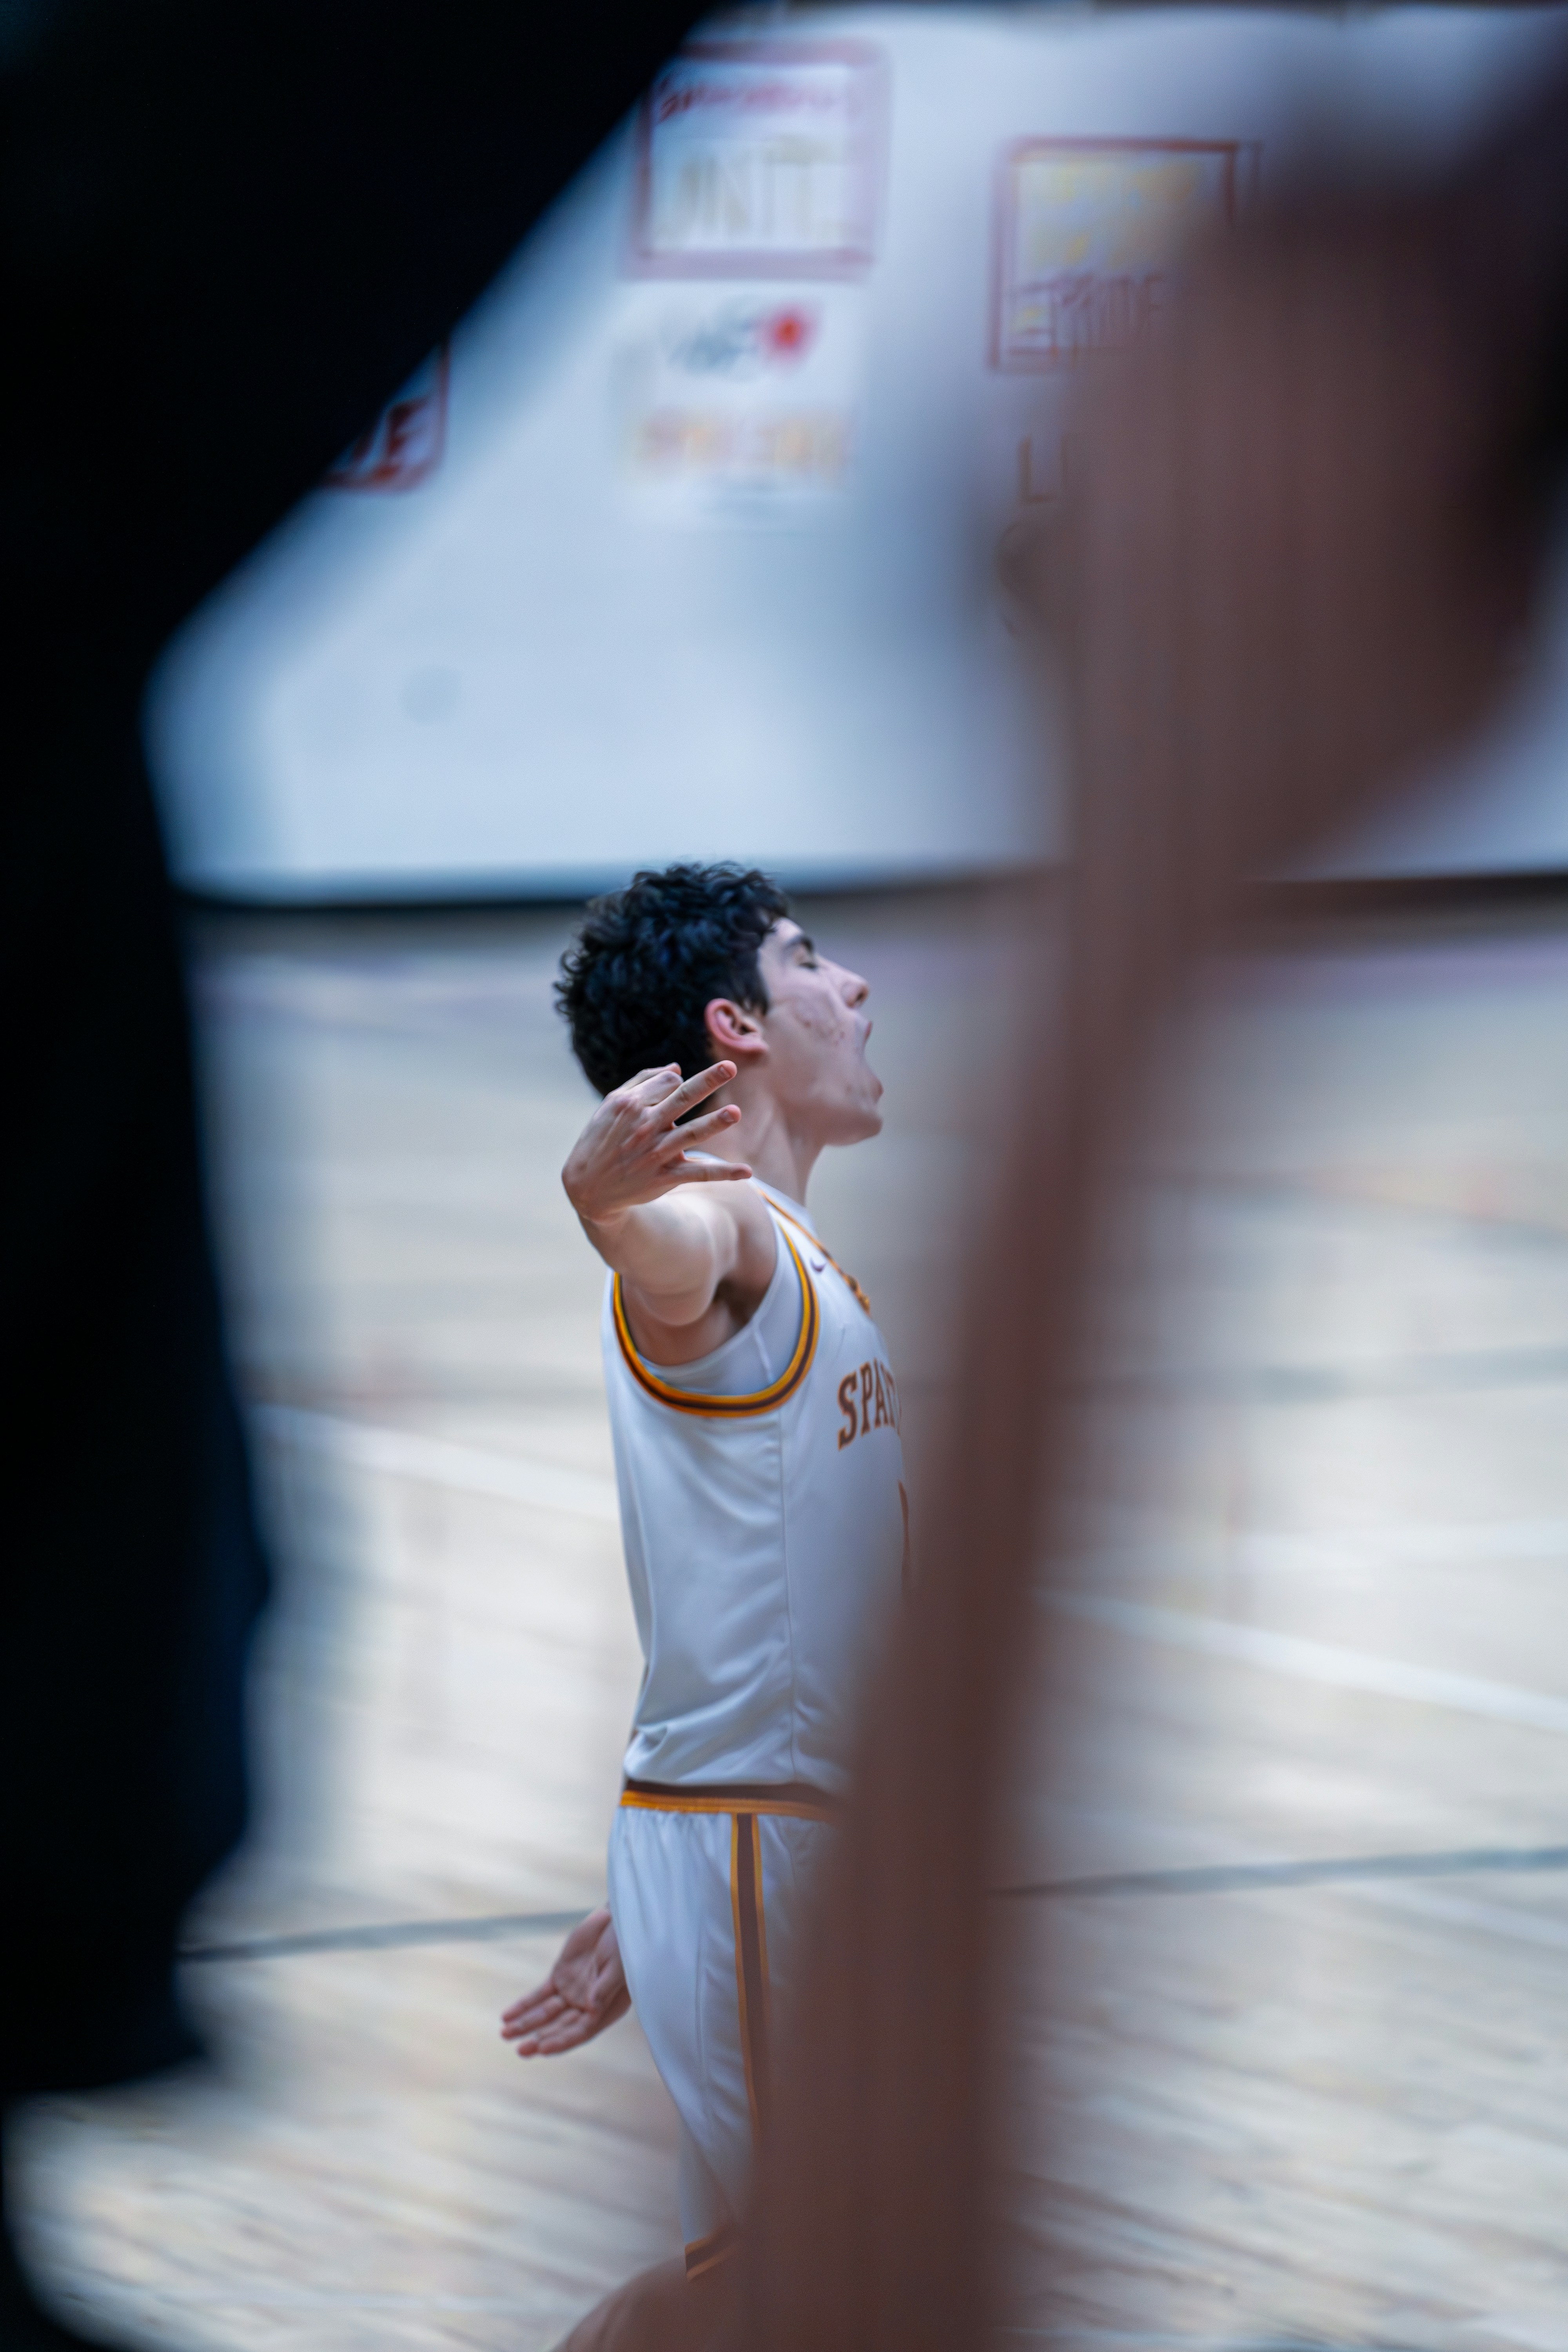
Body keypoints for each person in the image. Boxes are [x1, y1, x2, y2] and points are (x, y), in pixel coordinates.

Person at [502, 862, 908, 2287]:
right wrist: (606, 1207)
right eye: (812, 962)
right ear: (736, 1025)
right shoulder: (723, 1231)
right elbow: (658, 1255)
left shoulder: (799, 1255)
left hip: (756, 1841)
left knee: (764, 2284)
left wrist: (660, 1890)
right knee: (821, 2288)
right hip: (758, 1838)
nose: (854, 988)